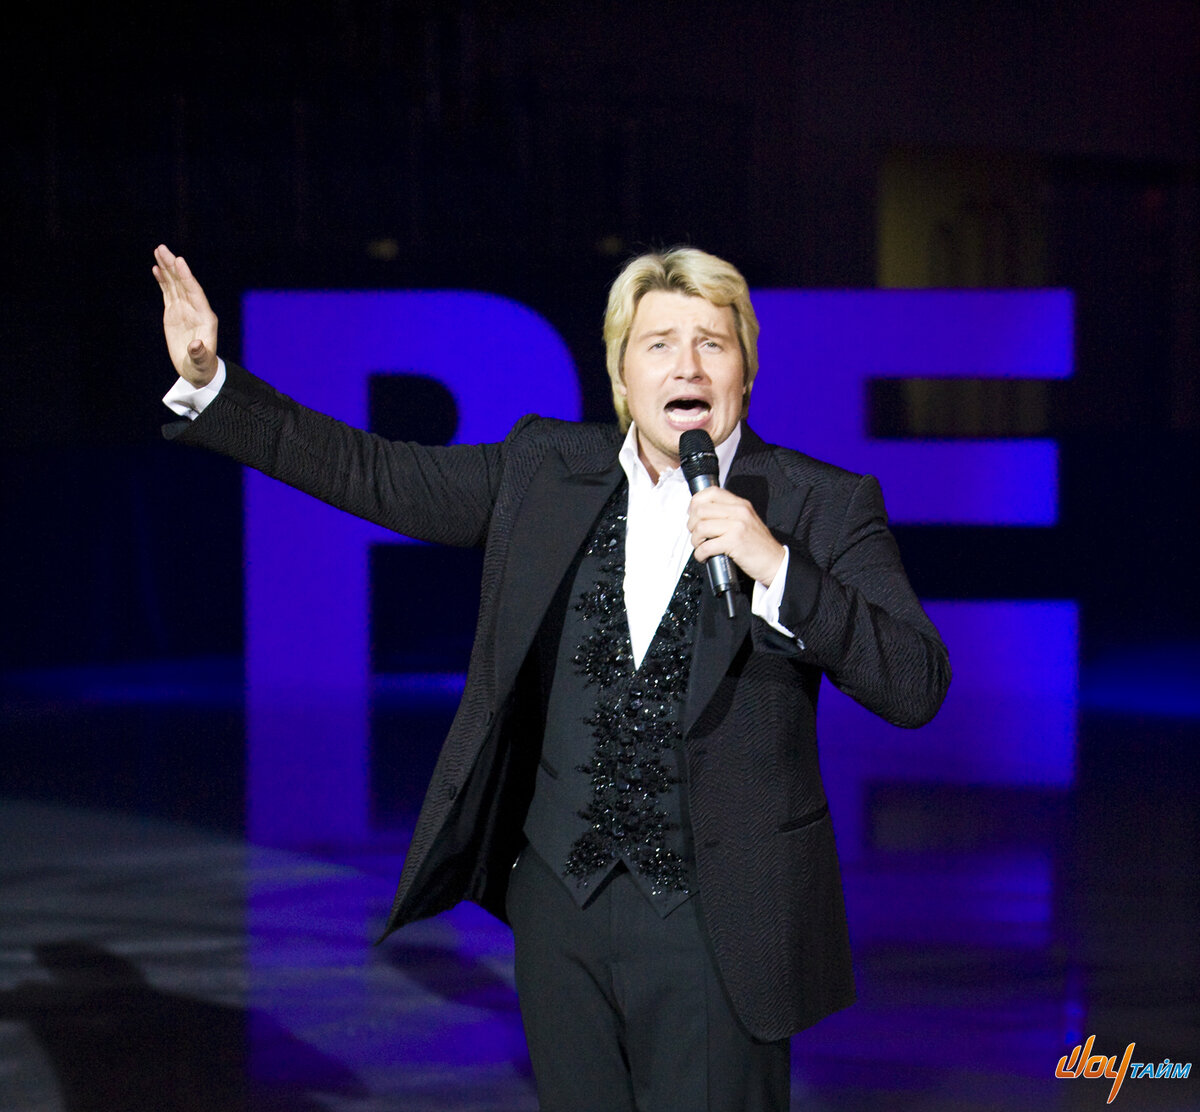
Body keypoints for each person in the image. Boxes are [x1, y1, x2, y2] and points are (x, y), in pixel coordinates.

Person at [154, 242, 950, 1111]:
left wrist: (779, 568)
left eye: (712, 344)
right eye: (659, 343)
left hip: (721, 922)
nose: (687, 365)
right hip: (561, 911)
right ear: (621, 374)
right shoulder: (543, 471)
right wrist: (215, 385)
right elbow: (374, 473)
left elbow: (915, 683)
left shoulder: (818, 502)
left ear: (746, 372)